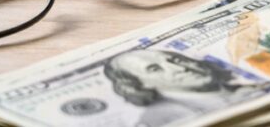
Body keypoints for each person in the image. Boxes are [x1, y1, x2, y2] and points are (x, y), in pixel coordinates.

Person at [103, 49, 245, 126]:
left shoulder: (239, 89)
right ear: (138, 84)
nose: (179, 68)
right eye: (154, 69)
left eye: (175, 60)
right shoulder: (162, 117)